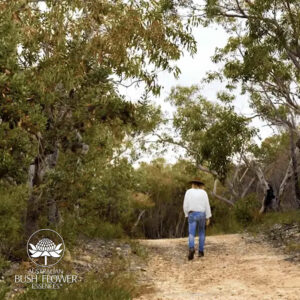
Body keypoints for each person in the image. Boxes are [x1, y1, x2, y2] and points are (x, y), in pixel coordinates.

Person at [183, 179, 212, 260]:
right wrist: (208, 217)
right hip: (202, 214)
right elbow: (207, 205)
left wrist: (186, 214)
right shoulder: (204, 193)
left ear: (193, 184)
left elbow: (185, 204)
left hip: (192, 213)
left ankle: (191, 248)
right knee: (202, 232)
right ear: (200, 185)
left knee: (191, 233)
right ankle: (201, 251)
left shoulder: (188, 192)